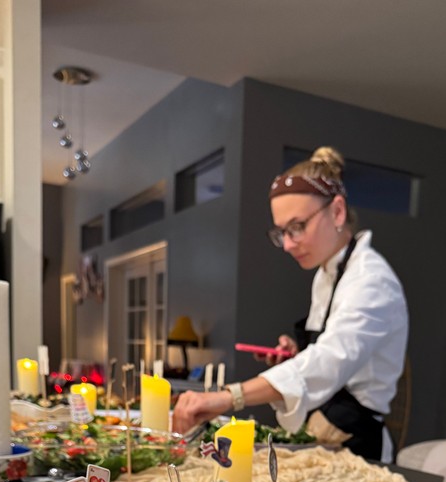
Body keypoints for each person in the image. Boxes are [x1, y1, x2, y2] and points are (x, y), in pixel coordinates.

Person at [171, 146, 408, 462]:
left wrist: (230, 396)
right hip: (325, 428)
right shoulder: (326, 273)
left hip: (358, 443)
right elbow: (333, 353)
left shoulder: (371, 280)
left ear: (337, 212)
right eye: (281, 232)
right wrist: (294, 356)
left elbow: (329, 362)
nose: (287, 244)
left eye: (297, 227)